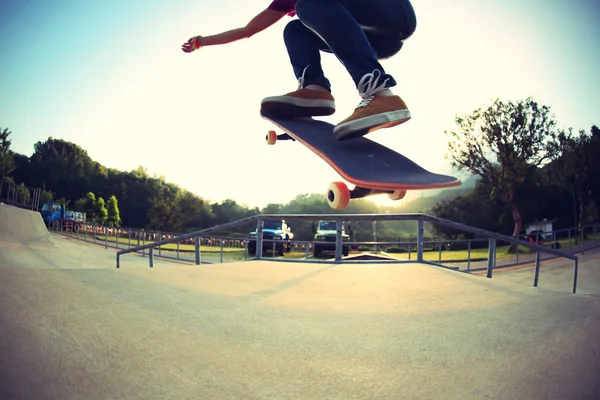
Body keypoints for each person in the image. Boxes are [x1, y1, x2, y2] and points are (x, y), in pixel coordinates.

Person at [182, 0, 417, 141]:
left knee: (308, 4)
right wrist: (201, 41)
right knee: (295, 29)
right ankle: (315, 90)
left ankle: (381, 95)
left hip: (393, 12)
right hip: (373, 39)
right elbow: (247, 30)